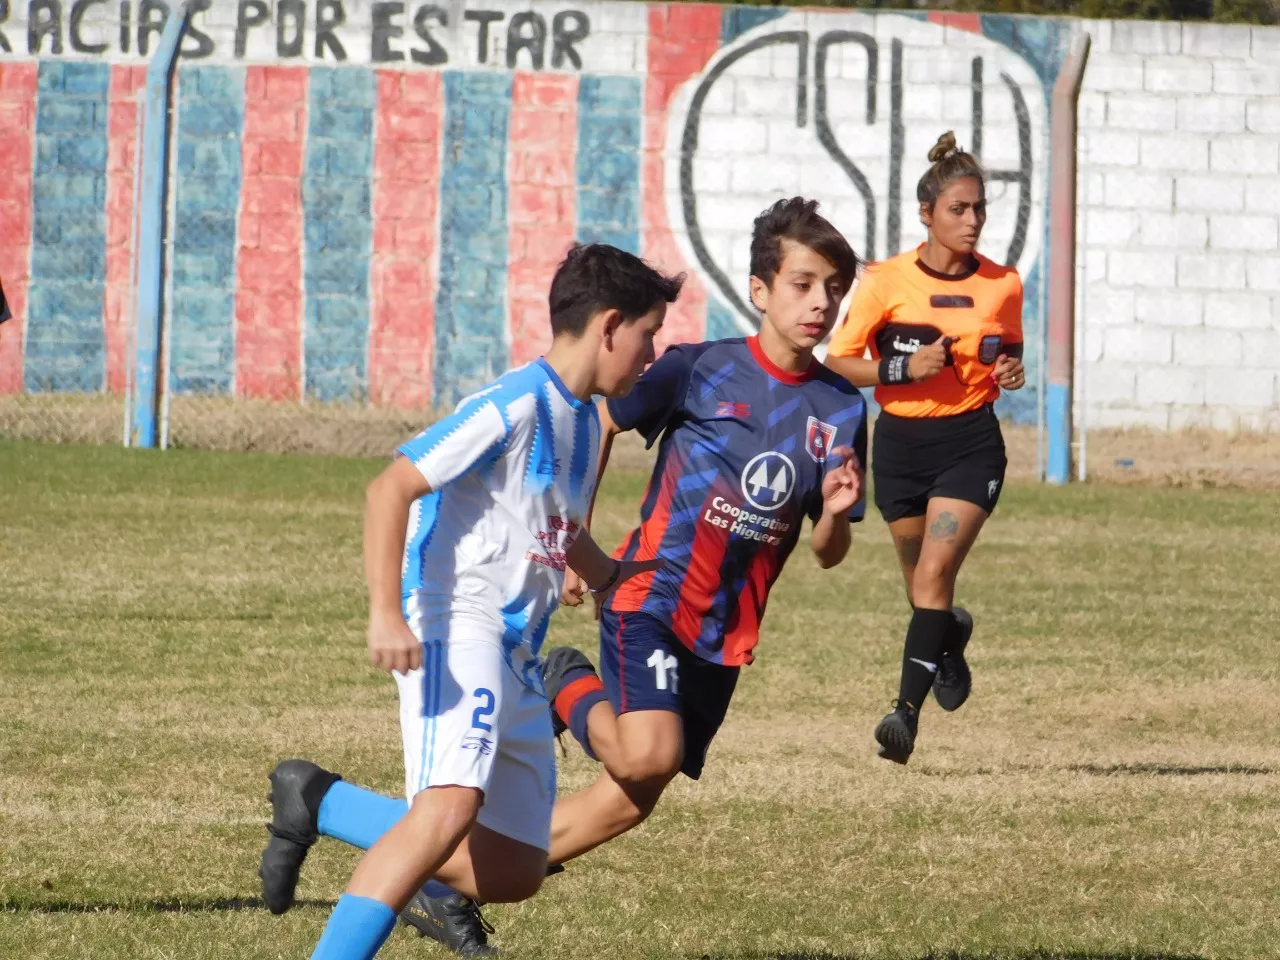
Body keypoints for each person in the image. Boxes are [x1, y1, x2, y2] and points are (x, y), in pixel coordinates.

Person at [257, 243, 683, 960]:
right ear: (610, 326)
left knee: (515, 868)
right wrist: (386, 612)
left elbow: (556, 521)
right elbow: (391, 487)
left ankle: (322, 801)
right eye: (649, 335)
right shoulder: (513, 405)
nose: (651, 355)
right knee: (447, 808)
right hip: (457, 623)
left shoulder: (583, 421)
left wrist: (610, 577)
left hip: (518, 649)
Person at [823, 131, 1026, 765]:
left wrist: (1010, 372)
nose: (973, 221)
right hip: (900, 448)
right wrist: (902, 370)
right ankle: (949, 637)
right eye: (958, 209)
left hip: (970, 443)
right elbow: (838, 362)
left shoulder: (1003, 284)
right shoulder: (885, 282)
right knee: (921, 590)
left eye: (979, 209)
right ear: (927, 213)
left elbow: (1007, 352)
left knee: (936, 574)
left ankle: (904, 715)